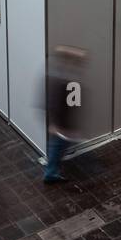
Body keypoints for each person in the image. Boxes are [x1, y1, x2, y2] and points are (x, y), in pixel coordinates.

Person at [44, 45, 86, 184]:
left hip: (62, 122)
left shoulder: (61, 76)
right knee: (58, 146)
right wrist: (58, 125)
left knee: (57, 145)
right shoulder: (68, 80)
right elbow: (68, 104)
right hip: (62, 124)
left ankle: (51, 171)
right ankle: (51, 173)